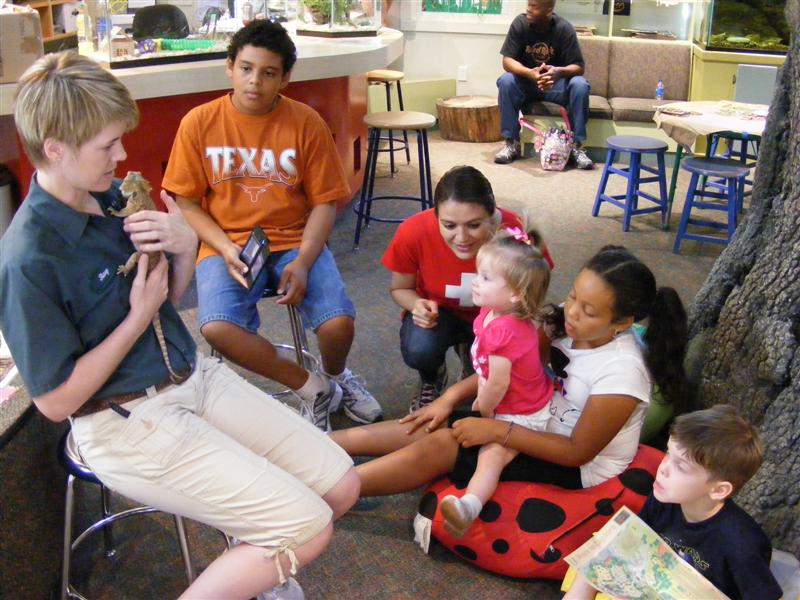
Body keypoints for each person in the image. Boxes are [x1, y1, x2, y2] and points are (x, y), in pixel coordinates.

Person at [0, 51, 360, 600]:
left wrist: (186, 246)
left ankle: (257, 568)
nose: (122, 155)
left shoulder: (114, 198)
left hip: (190, 376)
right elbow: (54, 403)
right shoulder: (28, 259)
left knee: (341, 484)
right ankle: (259, 562)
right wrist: (135, 319)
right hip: (125, 421)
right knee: (306, 527)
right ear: (55, 150)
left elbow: (165, 300)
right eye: (107, 145)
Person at [332, 245, 690, 500]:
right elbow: (513, 368)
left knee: (444, 444)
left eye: (589, 310)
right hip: (533, 418)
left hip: (577, 464)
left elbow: (577, 452)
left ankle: (330, 490)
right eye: (573, 296)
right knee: (432, 421)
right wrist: (449, 397)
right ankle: (326, 444)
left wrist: (497, 431)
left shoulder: (623, 372)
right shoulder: (567, 322)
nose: (572, 311)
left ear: (623, 323)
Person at [162, 20, 382, 432]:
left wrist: (304, 261)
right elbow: (187, 202)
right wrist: (223, 247)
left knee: (338, 323)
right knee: (217, 327)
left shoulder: (306, 122)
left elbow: (324, 203)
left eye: (268, 73)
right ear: (230, 67)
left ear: (285, 78)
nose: (254, 82)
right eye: (246, 69)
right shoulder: (199, 122)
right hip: (226, 242)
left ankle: (337, 376)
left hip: (296, 239)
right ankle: (313, 388)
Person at [564, 405, 783, 600]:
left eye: (681, 466)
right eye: (668, 453)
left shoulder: (740, 545)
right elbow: (630, 547)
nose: (664, 468)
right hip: (656, 583)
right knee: (595, 559)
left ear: (718, 490)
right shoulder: (666, 499)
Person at [381, 165, 554, 411]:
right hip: (441, 316)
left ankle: (472, 361)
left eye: (474, 225)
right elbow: (399, 288)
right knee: (420, 348)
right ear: (435, 216)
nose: (461, 238)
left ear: (493, 216)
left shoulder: (518, 235)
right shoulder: (413, 231)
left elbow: (534, 289)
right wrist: (416, 305)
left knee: (512, 362)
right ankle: (432, 377)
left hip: (497, 319)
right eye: (449, 225)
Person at [439, 227, 552, 537]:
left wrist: (485, 413)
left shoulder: (505, 330)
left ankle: (469, 506)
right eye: (478, 273)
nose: (475, 281)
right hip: (513, 400)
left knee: (492, 455)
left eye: (486, 278)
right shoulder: (493, 312)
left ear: (515, 294)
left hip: (522, 413)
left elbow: (499, 384)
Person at [495, 0, 593, 170]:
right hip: (527, 84)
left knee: (580, 85)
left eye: (534, 6)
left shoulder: (564, 29)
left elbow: (579, 67)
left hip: (556, 85)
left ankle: (576, 147)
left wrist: (558, 72)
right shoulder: (520, 24)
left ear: (548, 10)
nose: (528, 9)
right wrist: (530, 73)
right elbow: (507, 61)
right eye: (528, 4)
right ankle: (511, 143)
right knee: (506, 81)